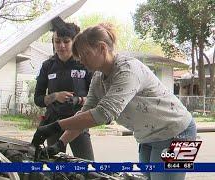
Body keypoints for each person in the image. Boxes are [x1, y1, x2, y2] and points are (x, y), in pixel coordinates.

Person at [31, 23, 196, 180]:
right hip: (148, 137)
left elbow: (104, 113)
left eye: (84, 54)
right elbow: (86, 112)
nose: (80, 60)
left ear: (102, 48)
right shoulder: (98, 77)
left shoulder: (127, 70)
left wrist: (54, 126)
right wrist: (60, 143)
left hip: (179, 133)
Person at [33, 17, 94, 160]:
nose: (61, 46)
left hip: (78, 122)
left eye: (66, 41)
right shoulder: (47, 66)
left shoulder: (84, 64)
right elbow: (38, 99)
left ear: (74, 42)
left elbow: (96, 99)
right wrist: (55, 96)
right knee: (53, 167)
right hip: (53, 124)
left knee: (87, 165)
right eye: (57, 41)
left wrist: (78, 100)